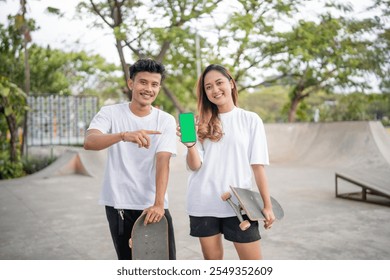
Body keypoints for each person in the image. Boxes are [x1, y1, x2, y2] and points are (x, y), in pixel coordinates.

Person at [177, 64, 275, 260]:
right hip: (203, 202)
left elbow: (258, 166)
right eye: (208, 87)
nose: (215, 90)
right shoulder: (197, 122)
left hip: (240, 203)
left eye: (219, 83)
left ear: (231, 83)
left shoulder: (250, 119)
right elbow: (195, 166)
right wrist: (189, 146)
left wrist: (267, 204)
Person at [84, 58, 177, 260]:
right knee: (128, 262)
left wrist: (159, 204)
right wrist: (123, 135)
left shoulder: (166, 120)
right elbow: (90, 141)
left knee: (166, 263)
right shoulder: (110, 113)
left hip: (155, 205)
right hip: (119, 204)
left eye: (154, 84)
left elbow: (163, 161)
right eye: (143, 82)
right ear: (131, 83)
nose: (149, 89)